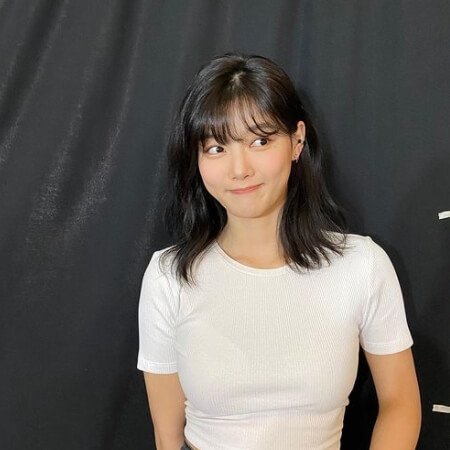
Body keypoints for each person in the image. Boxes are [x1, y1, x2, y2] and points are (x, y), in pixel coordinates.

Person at [137, 53, 421, 450]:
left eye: (260, 141)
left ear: (297, 140)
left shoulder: (362, 266)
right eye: (216, 148)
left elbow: (400, 402)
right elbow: (167, 436)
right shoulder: (170, 275)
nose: (239, 169)